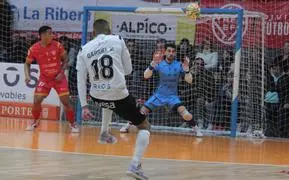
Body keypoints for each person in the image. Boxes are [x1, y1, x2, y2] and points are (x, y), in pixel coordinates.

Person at [76, 19, 150, 180]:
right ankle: (135, 166)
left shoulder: (83, 49)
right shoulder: (118, 40)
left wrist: (84, 106)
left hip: (96, 96)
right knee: (144, 126)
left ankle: (104, 132)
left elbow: (80, 80)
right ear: (109, 30)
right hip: (118, 95)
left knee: (107, 100)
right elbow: (129, 70)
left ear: (93, 33)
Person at [121, 43, 203, 137]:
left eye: (173, 51)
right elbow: (145, 76)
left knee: (186, 114)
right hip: (158, 95)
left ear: (175, 53)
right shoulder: (159, 63)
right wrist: (151, 66)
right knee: (141, 112)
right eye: (169, 51)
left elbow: (190, 81)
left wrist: (187, 70)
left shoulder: (179, 65)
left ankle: (196, 129)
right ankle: (127, 126)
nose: (171, 53)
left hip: (172, 97)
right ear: (165, 52)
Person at [24, 26, 79, 133]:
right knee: (36, 101)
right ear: (42, 35)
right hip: (44, 79)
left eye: (52, 33)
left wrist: (62, 72)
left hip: (59, 78)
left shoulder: (57, 45)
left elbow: (66, 58)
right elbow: (27, 64)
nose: (52, 35)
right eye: (49, 33)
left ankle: (73, 124)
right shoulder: (33, 49)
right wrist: (27, 75)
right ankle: (35, 121)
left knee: (66, 102)